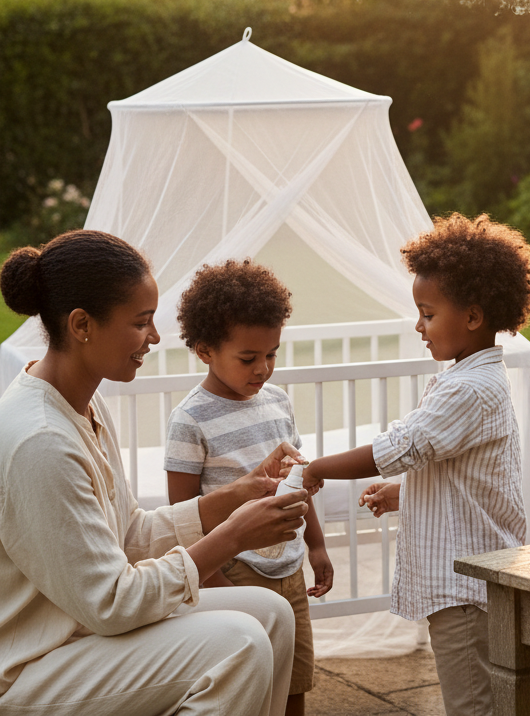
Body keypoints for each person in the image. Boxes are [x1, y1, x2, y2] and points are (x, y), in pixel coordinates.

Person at [0, 230, 307, 716]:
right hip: (33, 665)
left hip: (81, 632)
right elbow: (112, 602)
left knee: (270, 613)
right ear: (82, 324)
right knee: (239, 642)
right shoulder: (41, 440)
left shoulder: (84, 403)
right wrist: (229, 537)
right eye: (142, 322)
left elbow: (127, 533)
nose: (156, 338)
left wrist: (229, 499)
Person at [301, 213, 530, 716]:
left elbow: (403, 447)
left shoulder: (469, 390)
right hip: (468, 585)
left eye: (428, 314)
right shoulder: (470, 380)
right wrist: (405, 493)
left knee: (472, 703)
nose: (418, 325)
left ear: (472, 317)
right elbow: (463, 481)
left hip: (465, 590)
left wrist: (318, 467)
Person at [164, 259, 334, 716]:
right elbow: (183, 510)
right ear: (205, 350)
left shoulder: (277, 401)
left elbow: (298, 480)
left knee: (294, 679)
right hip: (234, 568)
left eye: (272, 354)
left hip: (289, 566)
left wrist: (315, 545)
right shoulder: (190, 419)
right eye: (248, 358)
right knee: (250, 680)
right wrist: (213, 578)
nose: (263, 368)